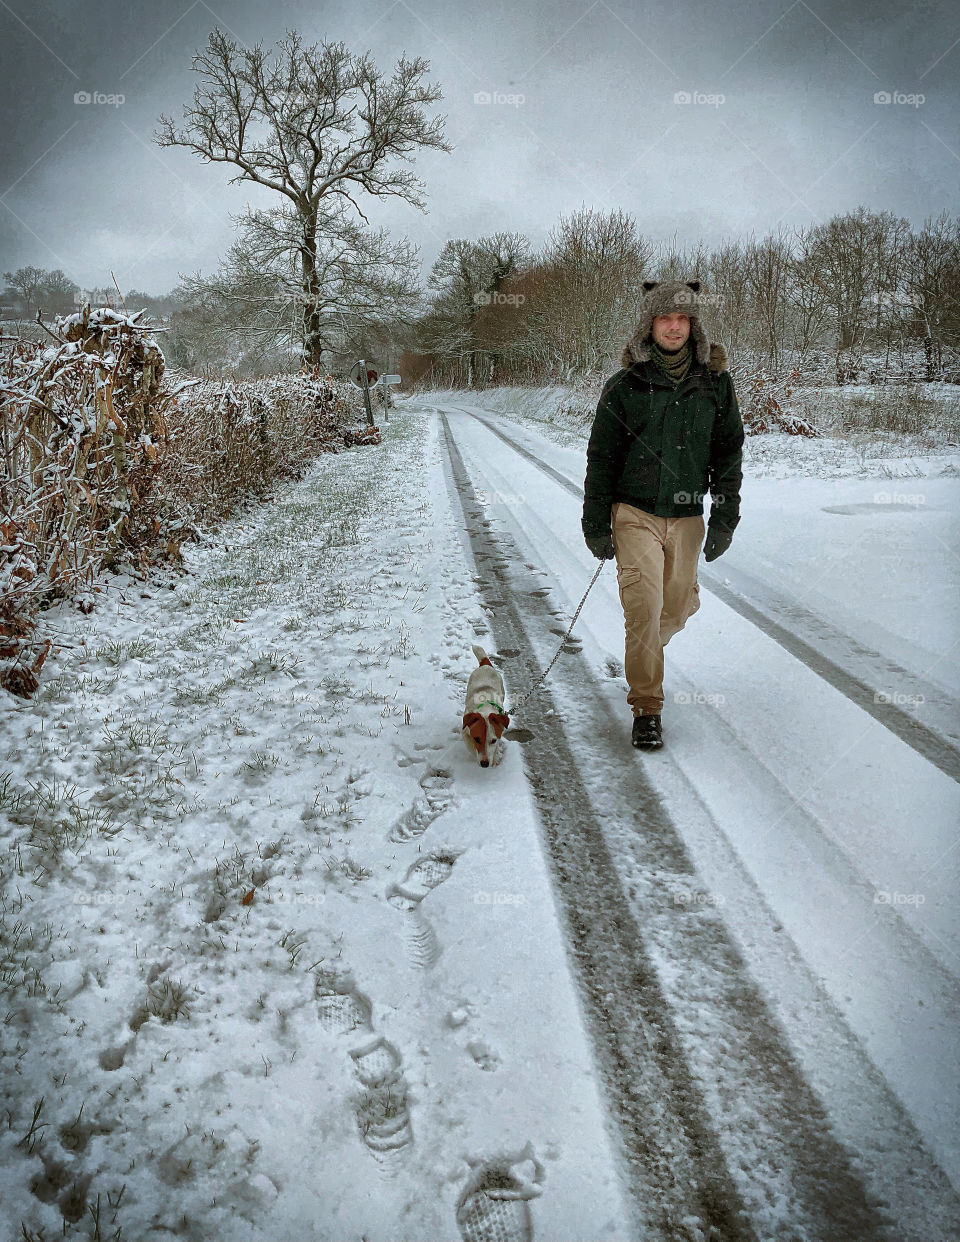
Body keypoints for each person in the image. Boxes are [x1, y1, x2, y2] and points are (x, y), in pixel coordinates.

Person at [581, 279, 744, 750]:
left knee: (674, 608)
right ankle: (647, 706)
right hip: (635, 514)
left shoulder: (715, 382)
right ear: (649, 324)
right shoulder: (625, 386)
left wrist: (725, 517)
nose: (673, 326)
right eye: (664, 318)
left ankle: (646, 647)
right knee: (644, 609)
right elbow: (603, 458)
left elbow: (728, 451)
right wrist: (596, 524)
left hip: (689, 515)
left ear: (693, 324)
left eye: (681, 318)